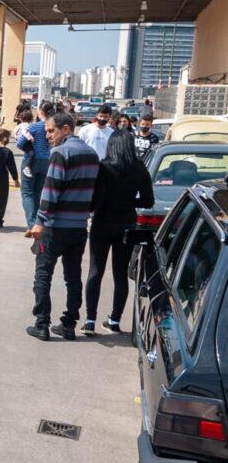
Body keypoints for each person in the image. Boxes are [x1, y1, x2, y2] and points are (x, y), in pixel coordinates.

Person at [26, 112, 100, 341]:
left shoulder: (60, 152)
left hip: (54, 227)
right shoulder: (92, 153)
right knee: (73, 276)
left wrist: (39, 222)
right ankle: (68, 324)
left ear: (66, 129)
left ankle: (42, 323)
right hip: (78, 227)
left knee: (43, 274)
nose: (47, 136)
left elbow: (50, 191)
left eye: (51, 131)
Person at [82, 130, 154, 336]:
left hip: (102, 222)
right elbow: (148, 201)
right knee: (120, 274)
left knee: (95, 270)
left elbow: (96, 200)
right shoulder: (140, 168)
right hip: (126, 223)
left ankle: (90, 320)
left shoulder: (103, 167)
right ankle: (114, 320)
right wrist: (130, 201)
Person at [18, 102, 54, 235]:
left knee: (27, 193)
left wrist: (30, 149)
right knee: (38, 193)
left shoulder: (35, 126)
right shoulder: (53, 126)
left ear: (41, 112)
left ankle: (31, 224)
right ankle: (39, 223)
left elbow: (20, 143)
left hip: (31, 162)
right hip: (46, 161)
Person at [14, 108, 35, 178]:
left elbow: (15, 131)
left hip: (20, 142)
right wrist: (30, 138)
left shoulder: (20, 125)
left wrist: (16, 138)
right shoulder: (26, 125)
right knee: (32, 153)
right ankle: (27, 168)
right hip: (25, 142)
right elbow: (24, 132)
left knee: (29, 153)